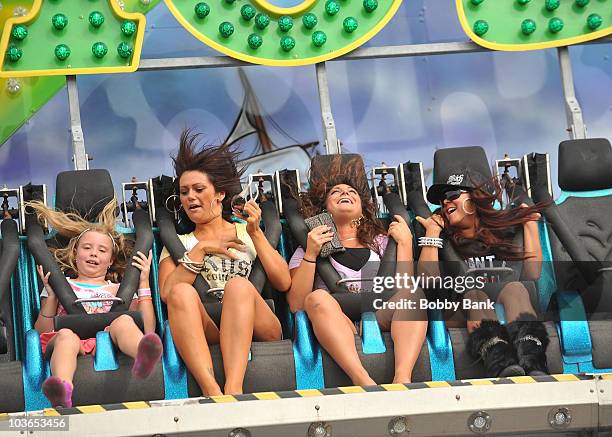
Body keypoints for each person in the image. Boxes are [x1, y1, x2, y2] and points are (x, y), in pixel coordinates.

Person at [158, 129, 291, 396]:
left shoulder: (246, 232)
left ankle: (233, 388)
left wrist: (255, 233)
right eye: (184, 192)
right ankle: (212, 390)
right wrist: (200, 250)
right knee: (182, 291)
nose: (190, 197)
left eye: (198, 189)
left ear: (219, 195)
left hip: (258, 323)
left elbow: (284, 281)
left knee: (238, 287)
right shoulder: (180, 243)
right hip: (209, 324)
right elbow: (167, 293)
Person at [287, 156, 427, 385]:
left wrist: (405, 244)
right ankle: (362, 379)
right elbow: (296, 304)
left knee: (413, 296)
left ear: (362, 208)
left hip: (381, 314)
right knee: (318, 297)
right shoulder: (309, 246)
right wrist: (311, 253)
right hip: (337, 319)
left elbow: (403, 288)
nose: (345, 193)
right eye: (336, 192)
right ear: (324, 210)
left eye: (352, 192)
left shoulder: (380, 243)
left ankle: (402, 379)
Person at [30, 199, 162, 408]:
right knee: (65, 337)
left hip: (110, 339)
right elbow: (41, 332)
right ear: (75, 253)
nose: (93, 253)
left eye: (102, 250)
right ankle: (62, 388)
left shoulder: (119, 290)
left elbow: (148, 326)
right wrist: (52, 295)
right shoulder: (62, 285)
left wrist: (143, 281)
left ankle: (142, 356)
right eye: (87, 248)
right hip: (73, 340)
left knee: (125, 322)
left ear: (110, 260)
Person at [416, 174, 549, 377]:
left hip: (503, 299)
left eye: (452, 194)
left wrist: (529, 225)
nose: (445, 201)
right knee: (475, 296)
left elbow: (532, 274)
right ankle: (500, 362)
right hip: (459, 307)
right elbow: (427, 282)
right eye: (442, 199)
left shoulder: (503, 232)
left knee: (516, 288)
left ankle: (533, 361)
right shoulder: (445, 236)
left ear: (474, 198)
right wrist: (433, 233)